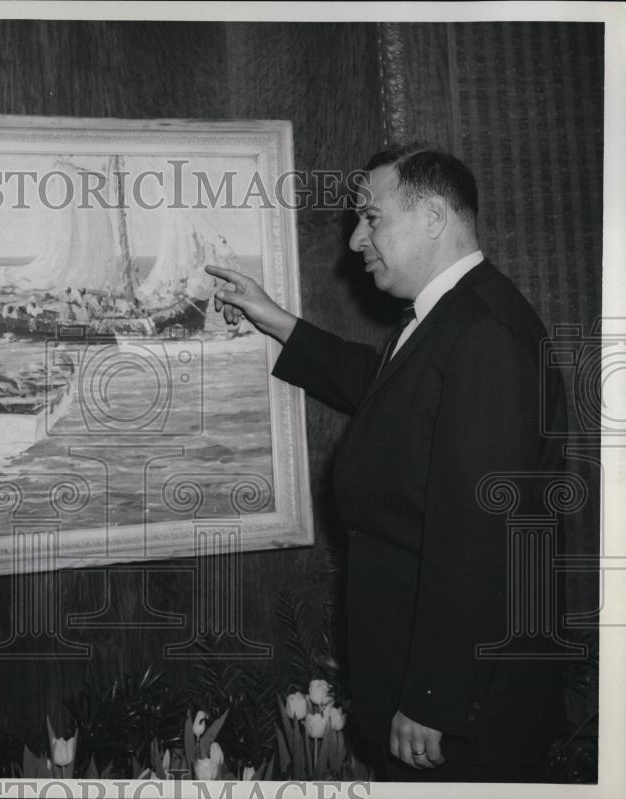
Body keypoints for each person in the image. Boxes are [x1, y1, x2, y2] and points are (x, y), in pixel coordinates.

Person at [208, 144, 567, 782]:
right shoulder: (459, 316)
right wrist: (278, 321)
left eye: (371, 218)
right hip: (443, 696)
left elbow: (480, 539)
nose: (354, 240)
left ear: (433, 218)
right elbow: (389, 390)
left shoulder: (484, 334)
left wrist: (432, 697)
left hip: (457, 716)